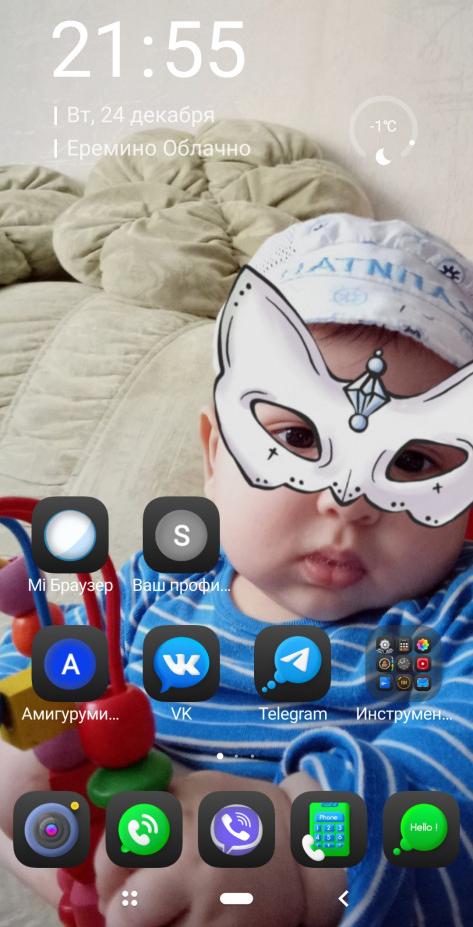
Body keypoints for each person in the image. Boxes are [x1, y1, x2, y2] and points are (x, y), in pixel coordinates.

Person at [0, 213, 473, 927]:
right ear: (215, 455)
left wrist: (290, 858)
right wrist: (34, 739)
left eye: (412, 461)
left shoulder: (453, 616)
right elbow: (36, 659)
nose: (348, 500)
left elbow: (447, 778)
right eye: (297, 437)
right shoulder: (153, 584)